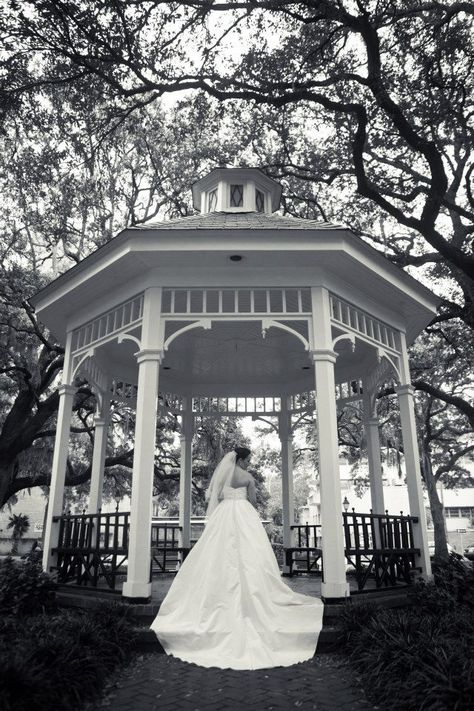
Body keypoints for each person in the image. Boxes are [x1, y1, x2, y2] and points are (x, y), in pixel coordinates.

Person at [150, 446, 324, 670]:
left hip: (224, 515)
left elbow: (216, 495)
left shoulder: (223, 473)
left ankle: (217, 595)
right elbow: (252, 500)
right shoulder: (248, 477)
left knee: (218, 556)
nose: (249, 462)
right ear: (242, 458)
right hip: (243, 514)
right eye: (248, 459)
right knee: (251, 555)